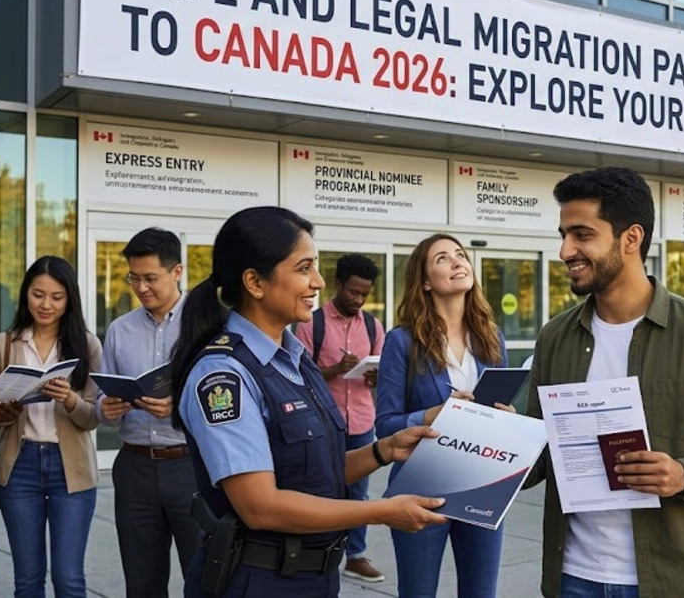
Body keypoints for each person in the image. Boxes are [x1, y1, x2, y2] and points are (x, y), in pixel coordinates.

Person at [168, 206, 446, 597]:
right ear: (255, 282)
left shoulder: (295, 360)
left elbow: (313, 473)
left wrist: (383, 450)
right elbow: (259, 505)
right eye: (303, 268)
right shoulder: (224, 375)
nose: (317, 281)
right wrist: (382, 512)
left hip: (313, 577)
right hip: (258, 580)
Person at [525, 167, 684, 598]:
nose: (565, 250)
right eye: (563, 234)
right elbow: (539, 457)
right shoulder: (554, 337)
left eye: (582, 234)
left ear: (631, 239)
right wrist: (498, 434)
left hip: (673, 580)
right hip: (574, 578)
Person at [375, 233, 509, 598]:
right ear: (425, 281)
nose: (457, 262)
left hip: (483, 483)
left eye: (461, 255)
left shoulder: (492, 337)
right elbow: (384, 426)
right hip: (422, 488)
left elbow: (503, 419)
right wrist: (434, 414)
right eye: (442, 259)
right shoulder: (401, 341)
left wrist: (507, 417)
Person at [0, 256, 103, 598]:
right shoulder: (5, 343)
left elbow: (94, 417)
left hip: (72, 470)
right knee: (27, 580)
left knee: (68, 580)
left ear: (70, 300)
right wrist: (2, 410)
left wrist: (69, 399)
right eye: (38, 294)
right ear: (26, 295)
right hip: (18, 467)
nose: (46, 304)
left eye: (56, 297)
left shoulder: (86, 345)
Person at [94, 228, 199, 597]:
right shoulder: (120, 330)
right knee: (141, 583)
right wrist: (106, 409)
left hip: (192, 467)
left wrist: (180, 407)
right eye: (133, 278)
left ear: (177, 272)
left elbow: (229, 403)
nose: (141, 288)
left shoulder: (206, 327)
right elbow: (100, 403)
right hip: (135, 468)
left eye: (150, 278)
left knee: (204, 578)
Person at [294, 253, 387, 583]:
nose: (359, 299)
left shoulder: (374, 326)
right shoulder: (310, 323)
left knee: (357, 494)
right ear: (337, 285)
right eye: (353, 292)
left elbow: (381, 371)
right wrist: (336, 370)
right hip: (323, 423)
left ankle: (355, 556)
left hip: (361, 421)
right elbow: (297, 375)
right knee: (320, 491)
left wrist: (376, 375)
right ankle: (318, 553)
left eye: (365, 294)